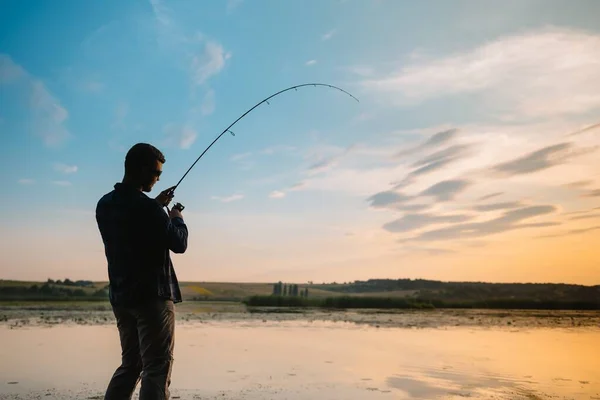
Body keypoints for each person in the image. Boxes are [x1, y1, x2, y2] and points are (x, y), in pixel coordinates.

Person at [95, 143, 188, 400]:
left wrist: (156, 206)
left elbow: (135, 223)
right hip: (152, 298)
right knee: (157, 366)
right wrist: (176, 216)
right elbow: (179, 243)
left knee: (131, 365)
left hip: (121, 297)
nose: (158, 179)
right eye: (156, 173)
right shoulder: (149, 210)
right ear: (140, 169)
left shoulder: (104, 205)